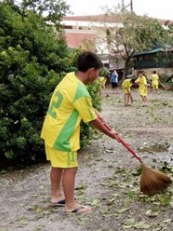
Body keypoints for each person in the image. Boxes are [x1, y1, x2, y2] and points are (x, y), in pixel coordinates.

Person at [40, 51, 117, 214]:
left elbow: (78, 104)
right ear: (91, 71)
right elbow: (91, 120)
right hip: (63, 135)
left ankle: (56, 196)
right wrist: (110, 133)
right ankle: (70, 205)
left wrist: (94, 110)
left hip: (51, 130)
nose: (97, 76)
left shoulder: (69, 78)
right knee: (70, 168)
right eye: (97, 72)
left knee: (58, 165)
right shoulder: (80, 91)